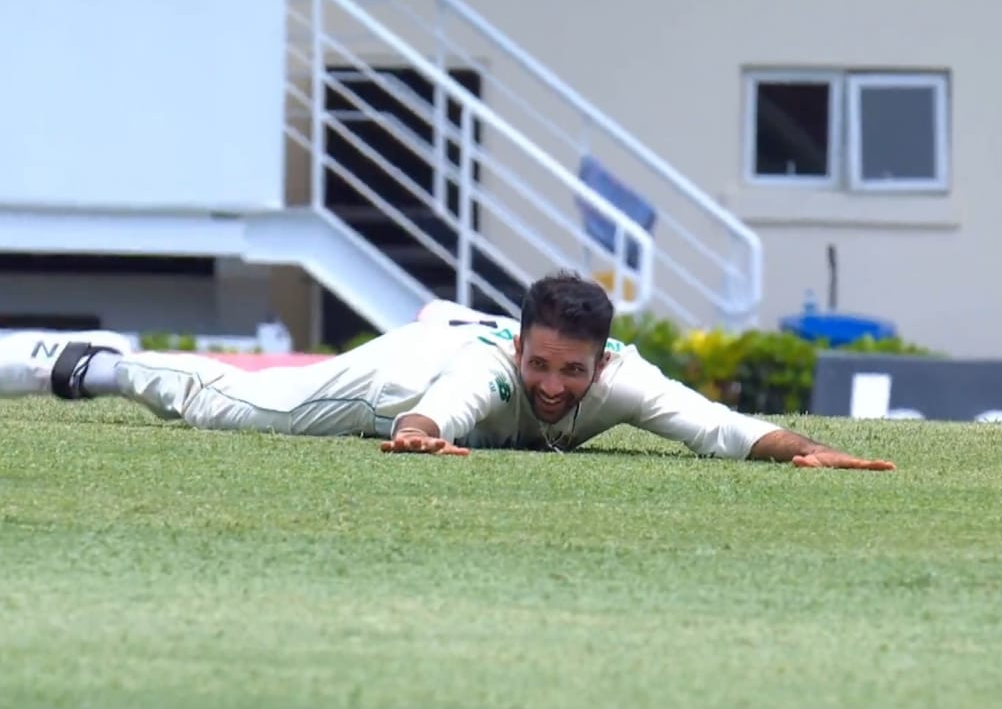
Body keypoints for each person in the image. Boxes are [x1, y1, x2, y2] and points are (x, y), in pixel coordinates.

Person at [0, 271, 894, 471]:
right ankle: (88, 362)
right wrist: (422, 436)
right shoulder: (494, 371)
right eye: (540, 362)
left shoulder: (621, 378)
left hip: (457, 349)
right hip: (414, 369)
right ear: (521, 347)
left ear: (601, 360)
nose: (553, 383)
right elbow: (444, 408)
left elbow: (716, 425)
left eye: (570, 371)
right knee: (232, 408)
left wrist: (802, 448)